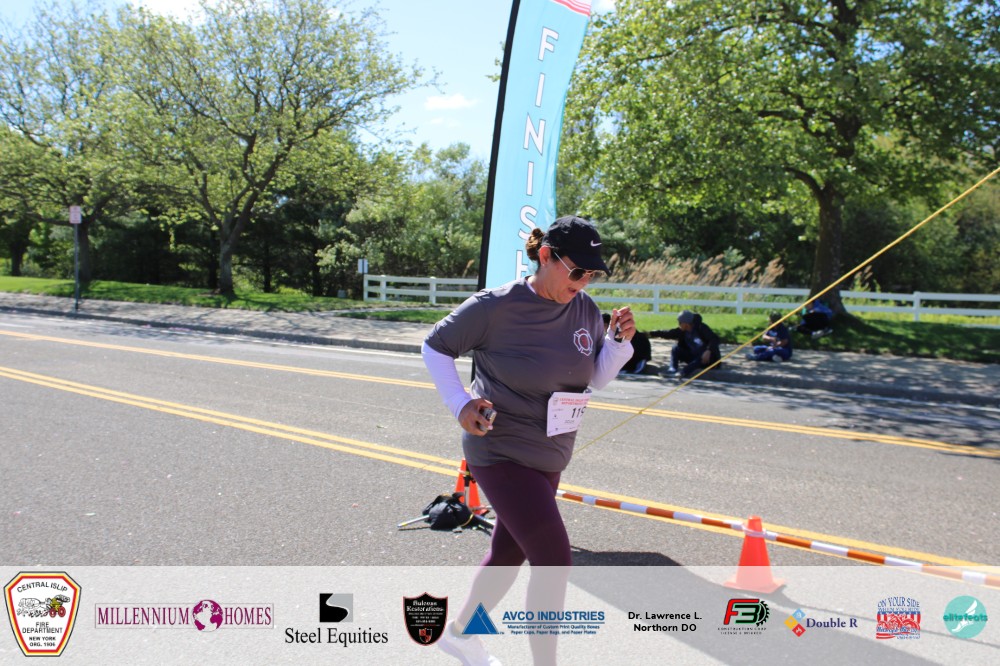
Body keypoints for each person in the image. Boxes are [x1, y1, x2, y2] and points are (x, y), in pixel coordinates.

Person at [422, 215, 635, 666]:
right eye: (577, 271)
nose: (584, 282)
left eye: (592, 274)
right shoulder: (495, 306)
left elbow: (594, 378)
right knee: (553, 559)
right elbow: (435, 346)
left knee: (507, 553)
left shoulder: (585, 309)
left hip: (550, 453)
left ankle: (460, 635)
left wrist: (617, 344)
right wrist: (460, 403)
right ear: (546, 256)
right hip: (500, 450)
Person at [649, 310, 721, 378]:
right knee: (675, 348)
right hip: (693, 357)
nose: (679, 324)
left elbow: (714, 339)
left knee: (700, 358)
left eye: (680, 322)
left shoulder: (701, 328)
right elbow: (668, 333)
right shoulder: (682, 331)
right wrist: (651, 333)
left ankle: (683, 372)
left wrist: (708, 350)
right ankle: (672, 369)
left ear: (686, 323)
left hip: (707, 359)